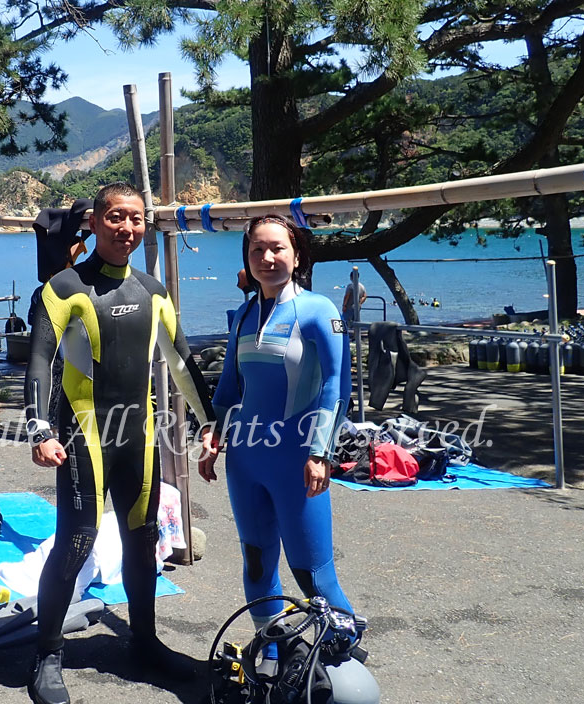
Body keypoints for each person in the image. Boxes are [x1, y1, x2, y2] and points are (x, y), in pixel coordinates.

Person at [24, 183, 216, 704]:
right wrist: (39, 429)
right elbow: (39, 361)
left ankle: (145, 642)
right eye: (115, 218)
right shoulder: (63, 287)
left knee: (142, 540)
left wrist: (210, 423)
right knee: (76, 541)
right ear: (94, 222)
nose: (126, 229)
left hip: (140, 438)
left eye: (135, 219)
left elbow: (180, 361)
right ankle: (47, 653)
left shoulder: (153, 291)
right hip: (83, 436)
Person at [199, 214, 355, 658]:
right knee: (256, 560)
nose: (267, 258)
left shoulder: (318, 311)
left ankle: (342, 645)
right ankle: (275, 649)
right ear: (247, 259)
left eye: (277, 248)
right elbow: (229, 387)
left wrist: (321, 452)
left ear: (297, 254)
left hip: (296, 462)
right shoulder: (245, 313)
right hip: (246, 461)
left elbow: (334, 388)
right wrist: (212, 435)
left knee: (312, 574)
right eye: (256, 250)